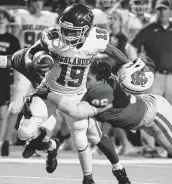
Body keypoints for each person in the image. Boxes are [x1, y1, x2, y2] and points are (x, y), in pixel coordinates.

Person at [18, 3, 131, 184]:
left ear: (87, 30)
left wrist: (129, 65)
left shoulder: (96, 38)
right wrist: (35, 62)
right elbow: (30, 53)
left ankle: (92, 178)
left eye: (73, 31)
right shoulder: (52, 37)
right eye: (65, 29)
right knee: (24, 133)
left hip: (77, 96)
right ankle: (51, 145)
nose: (67, 35)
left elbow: (112, 50)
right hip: (49, 91)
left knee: (83, 139)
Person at [44, 57, 172, 157]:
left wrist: (46, 92)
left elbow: (76, 111)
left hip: (156, 115)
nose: (84, 82)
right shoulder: (101, 85)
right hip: (144, 118)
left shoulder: (105, 93)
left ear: (99, 79)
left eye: (88, 79)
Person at [1, 0, 59, 156]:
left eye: (40, 1)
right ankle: (4, 142)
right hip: (25, 63)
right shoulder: (21, 15)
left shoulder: (51, 17)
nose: (38, 4)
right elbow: (16, 39)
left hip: (45, 65)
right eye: (34, 1)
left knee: (47, 107)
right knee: (15, 105)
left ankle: (36, 141)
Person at [131, 0, 172, 156]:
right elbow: (132, 46)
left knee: (170, 113)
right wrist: (136, 65)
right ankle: (149, 146)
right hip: (154, 76)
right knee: (148, 110)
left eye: (164, 9)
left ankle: (168, 147)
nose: (161, 12)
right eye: (159, 10)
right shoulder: (149, 29)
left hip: (171, 77)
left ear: (170, 11)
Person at [0, 8, 21, 156]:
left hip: (4, 80)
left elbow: (17, 63)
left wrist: (14, 83)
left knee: (3, 115)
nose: (0, 19)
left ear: (8, 21)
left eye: (3, 17)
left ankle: (2, 143)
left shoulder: (12, 40)